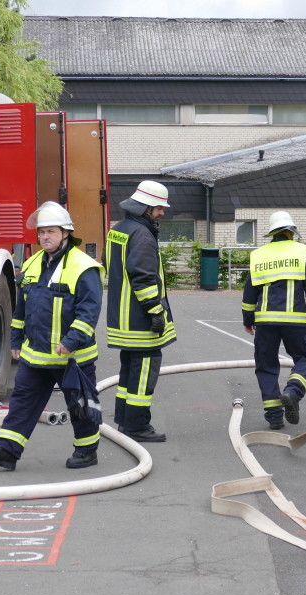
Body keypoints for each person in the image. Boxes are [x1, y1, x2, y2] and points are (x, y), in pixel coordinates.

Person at [0, 201, 105, 470]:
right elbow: (21, 307)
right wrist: (14, 340)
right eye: (42, 232)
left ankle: (86, 451)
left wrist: (70, 342)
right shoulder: (33, 263)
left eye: (52, 232)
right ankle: (7, 451)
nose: (45, 237)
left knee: (80, 405)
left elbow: (89, 312)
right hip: (36, 355)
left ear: (66, 233)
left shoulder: (84, 267)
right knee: (22, 402)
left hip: (72, 357)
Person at [105, 180, 177, 443]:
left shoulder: (119, 229)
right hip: (140, 321)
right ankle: (137, 426)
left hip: (122, 320)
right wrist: (156, 312)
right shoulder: (143, 235)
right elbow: (144, 278)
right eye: (159, 208)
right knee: (144, 373)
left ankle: (124, 420)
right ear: (146, 208)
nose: (162, 213)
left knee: (129, 372)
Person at [242, 211, 306, 429]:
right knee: (304, 361)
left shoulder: (258, 255)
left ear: (272, 232)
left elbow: (250, 292)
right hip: (294, 320)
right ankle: (293, 392)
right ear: (291, 232)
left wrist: (248, 319)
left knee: (266, 366)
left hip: (265, 321)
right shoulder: (301, 251)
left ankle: (274, 416)